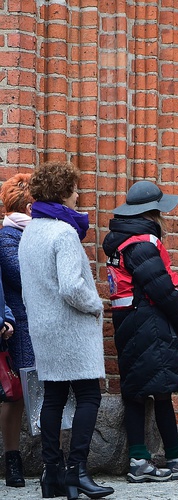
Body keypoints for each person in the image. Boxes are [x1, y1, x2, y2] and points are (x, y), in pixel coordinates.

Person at [18, 161, 113, 499]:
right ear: (62, 194)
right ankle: (77, 472)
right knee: (89, 394)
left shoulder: (31, 231)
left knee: (54, 397)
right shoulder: (63, 232)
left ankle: (51, 474)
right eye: (74, 190)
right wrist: (96, 304)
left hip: (43, 327)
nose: (78, 195)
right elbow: (72, 288)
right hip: (71, 327)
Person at [103, 181, 178, 483]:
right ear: (152, 213)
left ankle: (140, 460)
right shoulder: (141, 243)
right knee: (161, 391)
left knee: (137, 391)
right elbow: (161, 289)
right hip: (148, 320)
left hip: (128, 320)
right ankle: (174, 457)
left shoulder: (121, 241)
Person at [0, 174, 32, 488]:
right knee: (14, 397)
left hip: (40, 325)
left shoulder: (34, 233)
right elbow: (21, 276)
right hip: (18, 327)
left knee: (46, 392)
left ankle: (53, 456)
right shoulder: (8, 237)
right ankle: (12, 458)